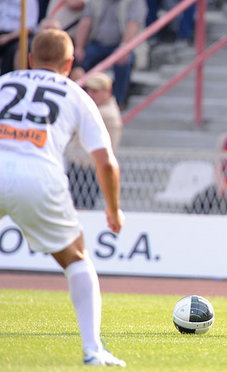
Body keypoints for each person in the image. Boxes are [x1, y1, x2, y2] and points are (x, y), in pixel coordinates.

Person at [0, 29, 125, 366]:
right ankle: (93, 350)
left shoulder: (5, 82)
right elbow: (106, 162)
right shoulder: (75, 94)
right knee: (76, 257)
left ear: (30, 59)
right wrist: (113, 210)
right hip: (39, 176)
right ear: (69, 63)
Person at [74, 0, 147, 108]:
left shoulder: (135, 2)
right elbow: (85, 22)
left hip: (122, 45)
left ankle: (118, 102)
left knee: (123, 61)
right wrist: (79, 47)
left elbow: (133, 25)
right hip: (97, 44)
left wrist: (123, 48)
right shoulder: (94, 2)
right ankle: (82, 101)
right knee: (81, 60)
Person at [66, 72, 123, 209]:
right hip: (83, 167)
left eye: (95, 91)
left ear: (107, 91)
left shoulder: (106, 113)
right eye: (88, 90)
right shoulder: (98, 110)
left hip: (88, 170)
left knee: (80, 210)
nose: (90, 94)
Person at [0, 0, 39, 74]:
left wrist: (7, 38)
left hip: (16, 35)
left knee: (21, 46)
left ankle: (19, 76)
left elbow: (29, 27)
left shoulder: (28, 2)